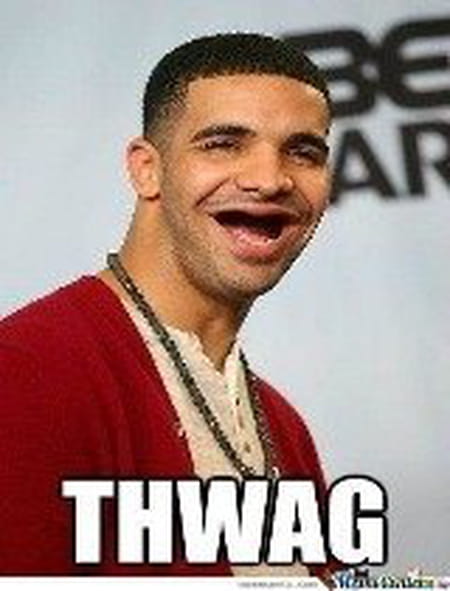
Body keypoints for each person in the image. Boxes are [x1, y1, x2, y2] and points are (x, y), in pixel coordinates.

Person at [0, 33, 335, 576]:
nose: (270, 180)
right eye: (224, 143)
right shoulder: (25, 374)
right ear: (146, 169)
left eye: (303, 152)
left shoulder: (283, 426)